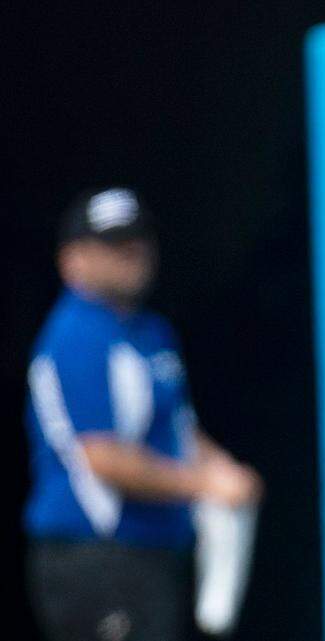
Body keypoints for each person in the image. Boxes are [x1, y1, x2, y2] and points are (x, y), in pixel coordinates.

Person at [24, 187, 262, 641]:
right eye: (113, 244)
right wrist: (204, 484)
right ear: (73, 259)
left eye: (138, 240)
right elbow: (103, 457)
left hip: (155, 555)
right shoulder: (76, 335)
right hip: (97, 555)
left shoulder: (152, 332)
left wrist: (223, 468)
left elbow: (177, 428)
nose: (131, 254)